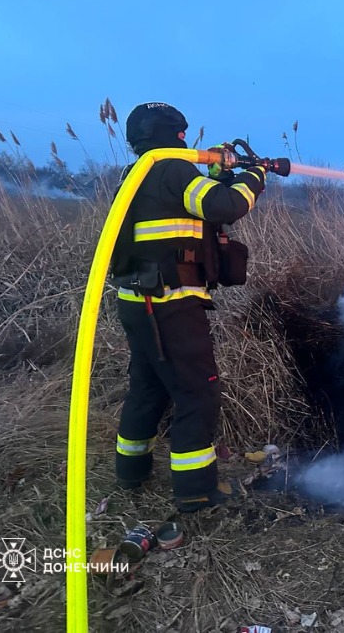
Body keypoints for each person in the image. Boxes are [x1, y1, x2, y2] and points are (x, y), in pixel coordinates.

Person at [110, 102, 266, 512]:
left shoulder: (137, 173)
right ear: (171, 134)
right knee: (198, 392)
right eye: (182, 135)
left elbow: (191, 203)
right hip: (171, 304)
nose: (185, 142)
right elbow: (226, 207)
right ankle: (196, 490)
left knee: (148, 387)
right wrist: (255, 175)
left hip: (138, 302)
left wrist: (215, 172)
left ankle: (131, 472)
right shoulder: (170, 169)